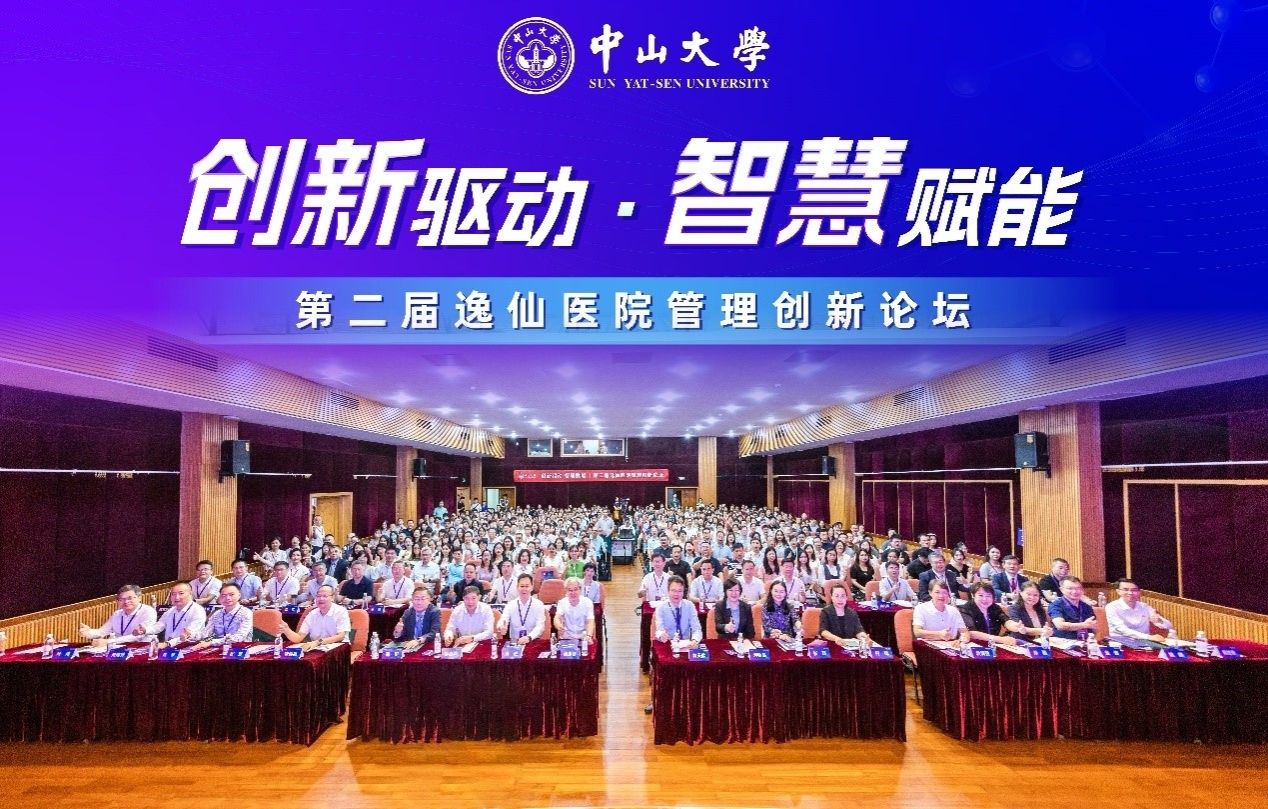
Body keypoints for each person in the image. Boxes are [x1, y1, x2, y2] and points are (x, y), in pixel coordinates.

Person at [276, 585, 350, 649]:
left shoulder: (341, 611)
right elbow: (299, 638)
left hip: (339, 648)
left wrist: (318, 642)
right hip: (319, 648)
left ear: (332, 598)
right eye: (318, 596)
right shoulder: (312, 614)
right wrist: (287, 630)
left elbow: (341, 636)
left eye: (325, 596)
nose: (321, 599)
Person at [80, 584, 158, 642]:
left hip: (142, 648)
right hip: (118, 649)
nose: (126, 602)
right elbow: (102, 631)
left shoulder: (148, 611)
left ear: (139, 598)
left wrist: (109, 641)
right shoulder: (117, 614)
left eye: (130, 598)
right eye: (122, 599)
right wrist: (88, 632)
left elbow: (138, 636)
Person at [1105, 578, 1174, 642]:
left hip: (1145, 642)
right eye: (1125, 590)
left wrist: (1159, 620)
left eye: (1134, 590)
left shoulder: (1144, 606)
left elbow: (1169, 626)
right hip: (1121, 642)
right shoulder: (1112, 607)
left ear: (1139, 592)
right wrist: (1148, 637)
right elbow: (1122, 630)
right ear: (1118, 591)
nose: (1130, 593)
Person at [141, 583, 207, 646]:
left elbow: (188, 635)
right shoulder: (171, 610)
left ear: (190, 593)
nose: (176, 597)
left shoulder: (198, 611)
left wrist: (167, 644)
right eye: (173, 594)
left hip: (189, 647)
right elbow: (159, 625)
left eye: (181, 593)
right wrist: (145, 630)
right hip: (169, 646)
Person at [652, 576, 702, 645]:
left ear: (683, 592)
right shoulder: (661, 607)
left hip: (686, 644)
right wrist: (661, 635)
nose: (676, 594)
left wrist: (695, 640)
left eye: (680, 591)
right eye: (673, 590)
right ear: (668, 591)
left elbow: (697, 629)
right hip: (668, 643)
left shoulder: (689, 606)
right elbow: (659, 630)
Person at [498, 574, 547, 644]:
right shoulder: (510, 605)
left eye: (527, 586)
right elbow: (504, 619)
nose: (524, 589)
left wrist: (529, 637)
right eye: (522, 586)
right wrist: (501, 626)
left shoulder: (539, 604)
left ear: (532, 587)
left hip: (532, 641)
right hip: (515, 642)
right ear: (517, 587)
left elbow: (540, 626)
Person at [1049, 575, 1098, 640]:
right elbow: (1060, 625)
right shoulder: (1056, 605)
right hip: (1063, 642)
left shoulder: (1087, 607)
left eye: (1078, 588)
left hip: (1084, 641)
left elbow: (1094, 627)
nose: (1075, 591)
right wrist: (1084, 625)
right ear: (1061, 590)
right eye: (1070, 588)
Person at [554, 576, 596, 643]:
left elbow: (590, 621)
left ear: (580, 589)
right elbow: (557, 618)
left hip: (584, 637)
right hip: (567, 637)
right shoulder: (562, 602)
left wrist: (589, 636)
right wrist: (559, 626)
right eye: (570, 590)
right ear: (566, 591)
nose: (573, 593)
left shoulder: (587, 602)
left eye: (575, 589)